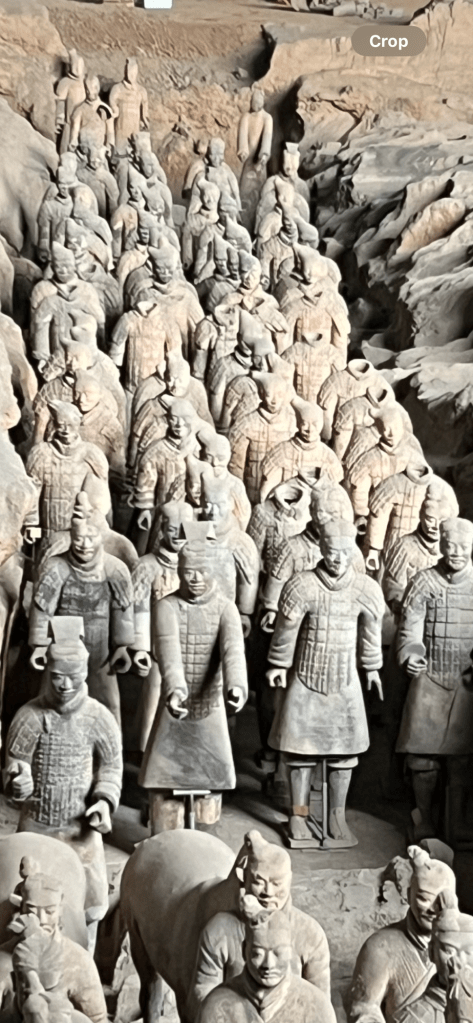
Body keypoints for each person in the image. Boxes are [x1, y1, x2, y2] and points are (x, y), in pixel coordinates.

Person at [4, 618, 123, 946]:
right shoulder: (29, 717)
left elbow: (112, 767)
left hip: (80, 831)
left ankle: (84, 961)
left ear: (85, 672)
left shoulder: (99, 718)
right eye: (57, 676)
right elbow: (14, 764)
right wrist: (17, 781)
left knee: (90, 907)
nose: (65, 685)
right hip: (36, 826)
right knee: (21, 903)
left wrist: (103, 802)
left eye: (73, 676)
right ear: (48, 672)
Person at [267, 519, 383, 847]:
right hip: (305, 675)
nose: (337, 559)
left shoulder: (365, 589)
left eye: (344, 552)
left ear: (353, 552)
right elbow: (286, 630)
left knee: (344, 754)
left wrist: (372, 668)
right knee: (299, 753)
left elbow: (371, 634)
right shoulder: (301, 585)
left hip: (345, 679)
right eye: (331, 552)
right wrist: (278, 664)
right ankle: (299, 814)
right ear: (321, 548)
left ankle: (336, 815)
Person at [139, 540, 248, 834]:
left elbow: (233, 652)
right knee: (163, 787)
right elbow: (168, 652)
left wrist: (236, 686)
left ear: (214, 570)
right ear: (179, 572)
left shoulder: (226, 609)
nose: (195, 579)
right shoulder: (167, 607)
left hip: (210, 708)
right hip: (174, 710)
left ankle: (203, 844)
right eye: (188, 572)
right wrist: (175, 690)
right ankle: (165, 845)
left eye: (203, 571)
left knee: (210, 790)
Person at [189, 829, 330, 1019]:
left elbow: (319, 1003)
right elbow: (202, 992)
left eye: (277, 883)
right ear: (244, 878)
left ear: (289, 880)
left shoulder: (310, 934)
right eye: (259, 881)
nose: (268, 892)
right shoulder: (220, 930)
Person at [396, 517, 473, 844]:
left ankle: (457, 822)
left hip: (467, 683)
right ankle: (424, 819)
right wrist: (411, 654)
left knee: (462, 761)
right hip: (429, 678)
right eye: (450, 545)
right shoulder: (423, 581)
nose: (456, 552)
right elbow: (410, 628)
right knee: (422, 760)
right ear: (440, 544)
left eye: (464, 547)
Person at [345, 845, 457, 1023]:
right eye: (424, 899)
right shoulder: (379, 948)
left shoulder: (464, 944)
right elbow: (364, 1011)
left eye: (441, 901)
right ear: (409, 894)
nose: (432, 909)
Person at [198, 899, 336, 1023]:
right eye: (258, 954)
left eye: (278, 953)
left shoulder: (317, 1006)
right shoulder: (216, 1006)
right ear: (244, 950)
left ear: (290, 951)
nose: (268, 965)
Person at [0, 865, 107, 1022]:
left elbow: (98, 1019)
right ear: (21, 909)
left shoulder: (77, 959)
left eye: (49, 911)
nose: (42, 920)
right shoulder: (3, 960)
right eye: (32, 911)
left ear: (60, 910)